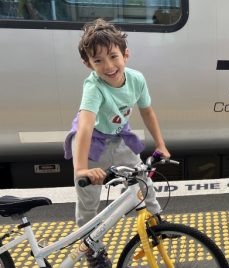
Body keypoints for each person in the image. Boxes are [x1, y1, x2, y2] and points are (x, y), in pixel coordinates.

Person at [63, 18, 170, 267]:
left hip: (119, 138)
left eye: (113, 57)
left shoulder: (136, 79)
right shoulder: (93, 87)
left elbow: (147, 112)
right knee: (88, 202)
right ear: (87, 64)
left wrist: (160, 144)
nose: (108, 66)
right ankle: (93, 249)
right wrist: (81, 169)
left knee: (143, 180)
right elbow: (86, 126)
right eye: (98, 60)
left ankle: (156, 223)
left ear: (126, 54)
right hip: (92, 145)